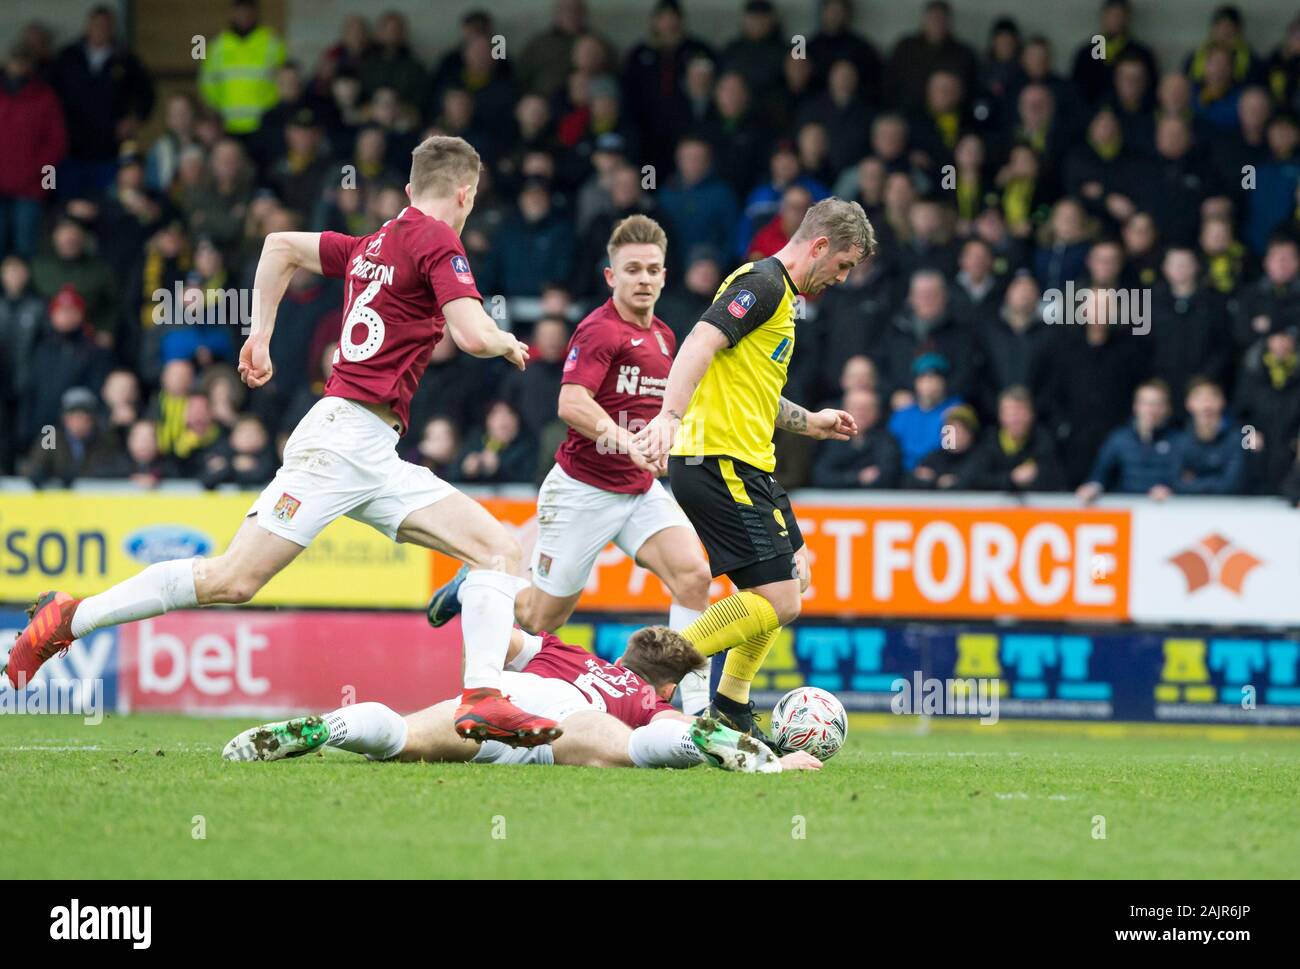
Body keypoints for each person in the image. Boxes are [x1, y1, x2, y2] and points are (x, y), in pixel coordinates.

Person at [4, 135, 557, 750]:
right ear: (466, 193)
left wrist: (261, 334)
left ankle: (481, 695)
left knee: (498, 551)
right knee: (232, 580)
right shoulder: (438, 239)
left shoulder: (375, 241)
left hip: (374, 450)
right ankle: (69, 618)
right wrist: (504, 341)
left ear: (407, 190)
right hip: (341, 442)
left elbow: (279, 245)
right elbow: (471, 332)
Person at [428, 215, 716, 714]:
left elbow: (670, 410)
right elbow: (572, 404)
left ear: (665, 276)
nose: (643, 279)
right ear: (611, 277)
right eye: (632, 270)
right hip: (582, 490)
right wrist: (628, 443)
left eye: (652, 269)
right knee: (543, 618)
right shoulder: (599, 329)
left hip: (639, 490)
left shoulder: (668, 337)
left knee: (693, 576)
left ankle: (693, 710)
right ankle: (477, 584)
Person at [636, 197, 875, 738]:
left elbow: (751, 387)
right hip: (719, 460)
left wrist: (808, 421)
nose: (841, 278)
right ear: (819, 246)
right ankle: (657, 664)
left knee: (790, 578)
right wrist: (669, 416)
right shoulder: (763, 284)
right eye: (842, 265)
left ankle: (731, 704)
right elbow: (700, 341)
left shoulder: (782, 299)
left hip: (750, 465)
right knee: (779, 600)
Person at [224, 624, 821, 774]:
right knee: (645, 745)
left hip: (506, 698)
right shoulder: (648, 699)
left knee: (402, 738)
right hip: (572, 723)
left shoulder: (565, 650)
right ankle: (749, 755)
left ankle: (332, 727)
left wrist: (472, 599)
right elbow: (644, 723)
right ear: (665, 684)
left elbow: (499, 634)